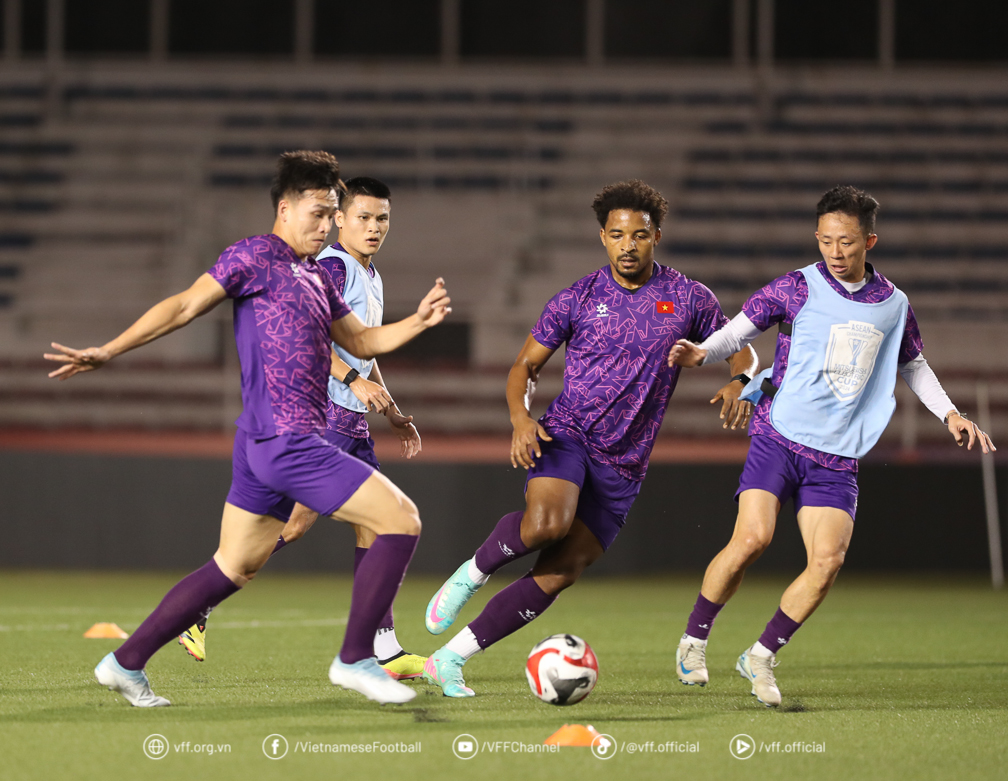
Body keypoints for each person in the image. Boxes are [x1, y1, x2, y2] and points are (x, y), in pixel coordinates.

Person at [44, 151, 451, 706]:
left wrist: (417, 321)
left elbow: (360, 342)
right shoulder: (255, 256)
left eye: (333, 214)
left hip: (263, 443)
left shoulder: (317, 275)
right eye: (318, 212)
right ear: (284, 209)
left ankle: (124, 661)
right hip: (288, 441)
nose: (327, 225)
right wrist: (108, 350)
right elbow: (186, 305)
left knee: (233, 566)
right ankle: (357, 658)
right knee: (401, 520)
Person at [419, 179, 758, 697]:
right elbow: (524, 365)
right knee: (546, 524)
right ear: (602, 237)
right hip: (570, 434)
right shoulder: (577, 298)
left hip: (626, 463)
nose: (628, 244)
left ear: (656, 237)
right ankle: (474, 570)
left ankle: (449, 659)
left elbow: (742, 349)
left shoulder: (689, 298)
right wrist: (520, 418)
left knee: (559, 573)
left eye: (639, 235)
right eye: (617, 234)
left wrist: (739, 379)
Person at [667, 185, 995, 707]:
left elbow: (911, 362)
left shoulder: (894, 305)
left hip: (837, 456)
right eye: (825, 241)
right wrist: (701, 354)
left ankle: (761, 656)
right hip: (779, 437)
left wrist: (950, 413)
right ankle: (693, 640)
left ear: (869, 240)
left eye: (845, 242)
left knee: (827, 562)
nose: (835, 252)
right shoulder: (795, 288)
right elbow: (737, 333)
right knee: (752, 540)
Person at [178, 176, 427, 680]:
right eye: (363, 217)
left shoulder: (369, 273)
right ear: (340, 219)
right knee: (293, 525)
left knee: (373, 529)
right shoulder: (332, 266)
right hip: (326, 417)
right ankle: (200, 604)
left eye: (382, 219)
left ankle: (384, 648)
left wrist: (393, 410)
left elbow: (363, 345)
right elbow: (312, 335)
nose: (374, 228)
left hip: (353, 421)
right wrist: (353, 380)